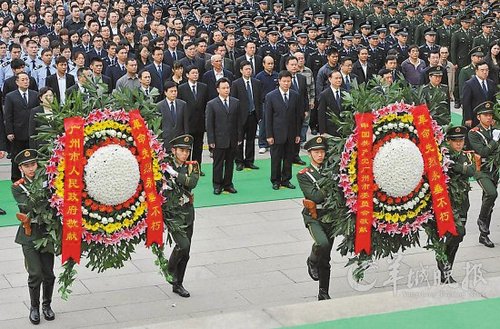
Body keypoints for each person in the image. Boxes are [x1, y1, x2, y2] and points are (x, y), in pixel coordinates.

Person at [11, 149, 56, 324]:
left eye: (33, 164)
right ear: (21, 168)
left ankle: (47, 305)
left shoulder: (48, 179)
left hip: (46, 233)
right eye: (27, 166)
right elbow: (28, 208)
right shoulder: (18, 187)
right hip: (29, 235)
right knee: (35, 273)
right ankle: (34, 307)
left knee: (49, 274)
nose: (31, 169)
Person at [437, 126, 478, 283]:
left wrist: (462, 168)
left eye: (461, 141)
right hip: (449, 203)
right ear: (448, 141)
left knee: (457, 238)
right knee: (458, 233)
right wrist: (463, 168)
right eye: (455, 141)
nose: (459, 144)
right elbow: (451, 168)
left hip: (463, 203)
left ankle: (446, 268)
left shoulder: (464, 156)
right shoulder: (444, 156)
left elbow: (472, 170)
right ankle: (443, 260)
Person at [297, 136, 332, 300]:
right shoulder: (304, 174)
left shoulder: (331, 169)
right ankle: (311, 260)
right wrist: (331, 184)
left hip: (330, 216)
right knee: (322, 243)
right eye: (316, 152)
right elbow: (315, 196)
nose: (320, 155)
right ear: (309, 154)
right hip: (314, 216)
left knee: (325, 258)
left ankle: (323, 293)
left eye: (322, 152)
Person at [164, 134, 200, 298]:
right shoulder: (165, 166)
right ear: (174, 150)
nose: (184, 154)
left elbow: (192, 182)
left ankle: (178, 283)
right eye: (181, 150)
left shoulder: (192, 166)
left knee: (186, 252)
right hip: (173, 213)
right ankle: (169, 269)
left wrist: (176, 175)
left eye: (187, 151)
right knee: (183, 245)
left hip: (187, 213)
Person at [468, 101, 499, 248]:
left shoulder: (496, 129)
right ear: (479, 117)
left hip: (494, 170)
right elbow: (484, 152)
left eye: (490, 115)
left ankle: (483, 235)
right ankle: (481, 220)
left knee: (489, 202)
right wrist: (494, 141)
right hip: (482, 170)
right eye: (485, 115)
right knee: (492, 194)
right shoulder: (473, 133)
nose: (488, 117)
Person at [265, 70, 302, 190]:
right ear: (279, 81)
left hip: (291, 133)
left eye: (288, 81)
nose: (286, 83)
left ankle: (286, 179)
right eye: (284, 81)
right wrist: (269, 135)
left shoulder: (295, 96)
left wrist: (298, 133)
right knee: (276, 158)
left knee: (288, 158)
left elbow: (298, 116)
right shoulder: (271, 96)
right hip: (276, 133)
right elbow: (268, 117)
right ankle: (275, 180)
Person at [206, 77, 242, 195]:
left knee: (230, 163)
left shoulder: (235, 102)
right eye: (223, 88)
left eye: (228, 87)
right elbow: (209, 124)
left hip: (232, 139)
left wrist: (239, 138)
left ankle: (228, 184)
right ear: (218, 89)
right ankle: (217, 185)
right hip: (218, 139)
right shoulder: (211, 104)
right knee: (218, 163)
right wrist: (211, 140)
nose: (226, 90)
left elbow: (238, 122)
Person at [4, 72, 40, 182]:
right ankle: (16, 179)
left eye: (27, 79)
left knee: (33, 157)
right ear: (17, 82)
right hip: (17, 132)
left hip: (32, 132)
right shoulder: (10, 96)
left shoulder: (35, 94)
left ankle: (34, 178)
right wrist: (9, 132)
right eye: (23, 80)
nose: (26, 82)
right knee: (16, 157)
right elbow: (8, 115)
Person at [230, 60, 262, 171]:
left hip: (253, 115)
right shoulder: (236, 84)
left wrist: (259, 115)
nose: (248, 71)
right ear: (241, 71)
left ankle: (249, 160)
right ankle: (239, 161)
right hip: (240, 117)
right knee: (239, 139)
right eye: (246, 69)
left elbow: (258, 100)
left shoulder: (256, 83)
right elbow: (233, 101)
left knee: (251, 139)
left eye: (250, 69)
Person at [177, 66, 209, 175]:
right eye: (193, 73)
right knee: (186, 148)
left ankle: (197, 168)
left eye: (197, 73)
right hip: (188, 123)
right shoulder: (181, 88)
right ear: (187, 75)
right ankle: (185, 169)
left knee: (198, 147)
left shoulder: (204, 87)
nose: (195, 75)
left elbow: (206, 105)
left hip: (200, 122)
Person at [462, 61, 496, 129]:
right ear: (476, 71)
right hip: (474, 117)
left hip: (488, 117)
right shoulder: (469, 84)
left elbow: (493, 101)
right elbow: (466, 103)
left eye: (486, 70)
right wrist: (468, 118)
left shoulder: (491, 83)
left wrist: (494, 117)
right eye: (482, 70)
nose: (485, 72)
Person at [158, 81, 189, 150]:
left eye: (175, 91)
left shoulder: (183, 104)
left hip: (179, 139)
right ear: (165, 92)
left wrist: (186, 135)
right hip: (166, 139)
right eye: (171, 91)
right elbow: (158, 126)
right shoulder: (159, 106)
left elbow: (185, 122)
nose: (174, 93)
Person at [318, 70, 343, 136]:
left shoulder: (345, 93)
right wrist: (322, 131)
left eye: (340, 78)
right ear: (330, 79)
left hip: (344, 129)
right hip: (330, 129)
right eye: (336, 78)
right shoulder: (324, 94)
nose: (339, 80)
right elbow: (321, 114)